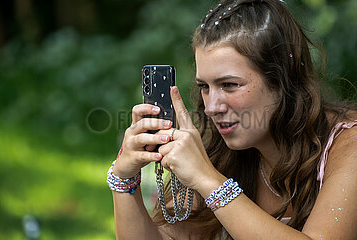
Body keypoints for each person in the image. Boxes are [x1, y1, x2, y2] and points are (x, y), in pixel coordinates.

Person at [107, 0, 357, 239]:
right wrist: (124, 178)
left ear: (282, 82)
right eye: (204, 86)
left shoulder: (349, 144)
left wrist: (208, 180)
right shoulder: (226, 154)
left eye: (229, 85)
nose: (211, 107)